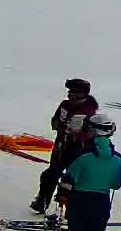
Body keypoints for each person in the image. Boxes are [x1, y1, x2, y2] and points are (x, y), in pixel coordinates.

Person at [58, 112, 121, 231]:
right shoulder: (117, 158)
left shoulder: (83, 156)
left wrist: (62, 197)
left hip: (80, 201)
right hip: (101, 203)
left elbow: (68, 181)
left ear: (92, 131)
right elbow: (116, 184)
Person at [31, 78, 100, 213]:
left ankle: (71, 208)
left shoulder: (89, 110)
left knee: (73, 178)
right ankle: (42, 201)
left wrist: (78, 135)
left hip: (78, 148)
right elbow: (55, 121)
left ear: (82, 94)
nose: (70, 94)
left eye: (73, 91)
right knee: (50, 174)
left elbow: (92, 132)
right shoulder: (65, 104)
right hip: (61, 146)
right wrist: (60, 125)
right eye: (69, 91)